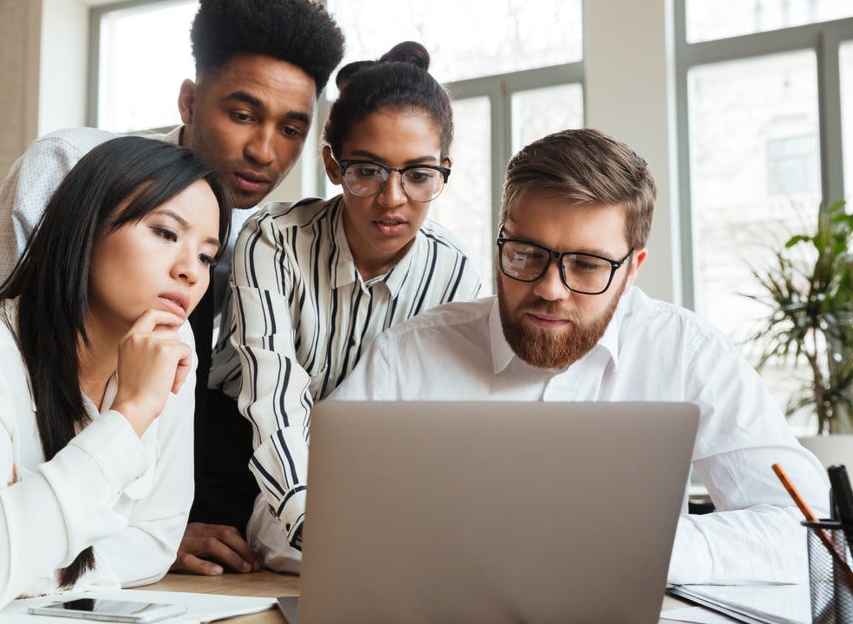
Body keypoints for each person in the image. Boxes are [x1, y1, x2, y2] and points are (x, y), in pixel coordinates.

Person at [328, 127, 831, 584]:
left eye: (587, 266)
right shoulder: (408, 355)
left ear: (633, 269)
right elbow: (289, 518)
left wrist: (627, 551)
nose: (550, 289)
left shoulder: (687, 353)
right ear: (501, 239)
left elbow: (807, 535)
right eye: (525, 254)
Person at [0, 0, 345, 575]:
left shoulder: (269, 238)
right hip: (41, 525)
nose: (265, 152)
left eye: (291, 129)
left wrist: (164, 532)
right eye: (243, 115)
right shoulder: (69, 168)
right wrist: (138, 535)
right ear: (189, 101)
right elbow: (9, 376)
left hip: (188, 538)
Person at [0, 137, 232, 618]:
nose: (190, 272)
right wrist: (130, 414)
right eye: (164, 232)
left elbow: (157, 541)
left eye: (206, 255)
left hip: (26, 621)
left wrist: (17, 555)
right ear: (84, 228)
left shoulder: (173, 350)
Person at [207, 42, 483, 573]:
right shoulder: (273, 240)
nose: (393, 198)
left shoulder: (453, 271)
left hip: (365, 479)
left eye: (419, 175)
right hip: (237, 457)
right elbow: (274, 397)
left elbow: (442, 419)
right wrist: (321, 529)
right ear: (333, 164)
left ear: (442, 172)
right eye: (369, 170)